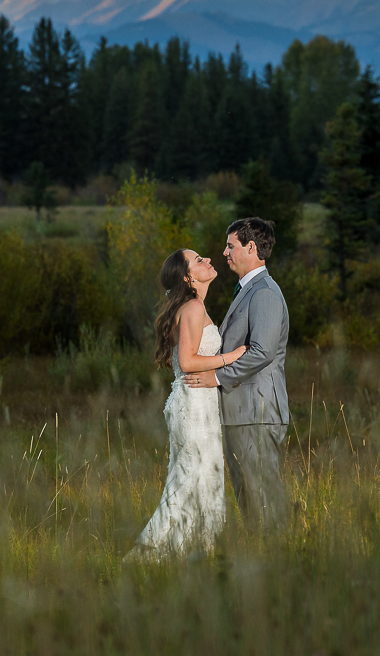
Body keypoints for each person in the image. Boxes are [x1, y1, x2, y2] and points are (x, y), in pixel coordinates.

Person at [126, 248, 247, 560]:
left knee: (202, 480)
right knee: (189, 481)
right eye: (198, 260)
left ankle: (196, 555)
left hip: (196, 404)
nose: (207, 260)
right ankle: (149, 555)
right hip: (193, 405)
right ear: (187, 277)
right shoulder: (192, 307)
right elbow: (188, 360)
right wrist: (230, 358)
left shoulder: (193, 306)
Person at [186, 217, 291, 529]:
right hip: (241, 414)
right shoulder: (248, 290)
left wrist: (216, 378)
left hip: (256, 412)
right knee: (250, 501)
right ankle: (262, 563)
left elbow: (262, 351)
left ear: (251, 247)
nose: (224, 252)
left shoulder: (265, 293)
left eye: (230, 246)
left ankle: (280, 562)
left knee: (265, 501)